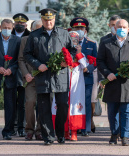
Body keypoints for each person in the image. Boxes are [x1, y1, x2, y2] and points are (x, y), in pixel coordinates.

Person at [23, 8, 75, 145]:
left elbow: (72, 50)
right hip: (43, 76)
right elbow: (27, 54)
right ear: (42, 20)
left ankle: (60, 133)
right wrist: (37, 64)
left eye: (50, 19)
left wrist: (67, 60)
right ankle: (48, 136)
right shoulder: (34, 36)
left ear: (54, 19)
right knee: (44, 108)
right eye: (45, 20)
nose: (48, 22)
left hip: (61, 76)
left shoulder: (63, 33)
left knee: (63, 105)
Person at [97, 19, 129, 146]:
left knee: (128, 112)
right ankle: (114, 134)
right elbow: (100, 61)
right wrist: (107, 73)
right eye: (119, 26)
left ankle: (125, 136)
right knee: (112, 112)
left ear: (128, 29)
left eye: (124, 27)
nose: (122, 29)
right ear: (114, 28)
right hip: (112, 83)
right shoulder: (106, 43)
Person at [52, 31, 88, 141]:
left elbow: (85, 66)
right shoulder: (62, 54)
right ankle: (64, 132)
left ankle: (74, 132)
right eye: (71, 40)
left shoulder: (81, 55)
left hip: (76, 87)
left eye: (76, 40)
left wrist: (79, 53)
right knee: (62, 107)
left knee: (75, 107)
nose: (74, 42)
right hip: (63, 84)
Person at [70, 17, 97, 136]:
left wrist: (88, 68)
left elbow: (96, 61)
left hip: (86, 77)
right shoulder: (68, 43)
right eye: (77, 28)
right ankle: (73, 127)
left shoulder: (91, 44)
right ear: (72, 29)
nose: (79, 30)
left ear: (85, 30)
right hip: (73, 77)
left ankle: (85, 128)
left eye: (82, 28)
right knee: (72, 102)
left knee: (86, 102)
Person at [0, 19, 21, 140]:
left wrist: (11, 68)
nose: (7, 30)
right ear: (0, 27)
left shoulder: (17, 40)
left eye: (9, 28)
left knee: (10, 105)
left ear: (12, 29)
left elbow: (19, 59)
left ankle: (7, 131)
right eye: (5, 27)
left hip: (11, 76)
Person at [18, 20, 43, 140]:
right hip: (30, 79)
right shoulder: (24, 40)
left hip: (44, 78)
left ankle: (39, 130)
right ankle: (29, 129)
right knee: (30, 103)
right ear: (32, 30)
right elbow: (21, 59)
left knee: (43, 105)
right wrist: (26, 74)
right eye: (36, 29)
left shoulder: (47, 40)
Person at [11, 13, 30, 137]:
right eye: (17, 23)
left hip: (25, 73)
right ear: (14, 24)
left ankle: (22, 127)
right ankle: (12, 126)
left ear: (26, 24)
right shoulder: (8, 35)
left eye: (22, 23)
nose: (19, 25)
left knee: (23, 102)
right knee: (11, 102)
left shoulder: (30, 36)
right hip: (11, 73)